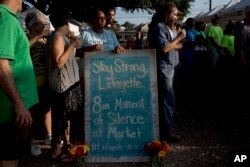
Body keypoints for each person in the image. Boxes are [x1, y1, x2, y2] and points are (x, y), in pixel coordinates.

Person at [0, 0, 39, 166]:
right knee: (8, 159)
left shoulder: (9, 18)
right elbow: (1, 65)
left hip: (12, 108)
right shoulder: (6, 19)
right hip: (8, 109)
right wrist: (19, 105)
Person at [47, 7, 83, 162]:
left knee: (65, 119)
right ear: (66, 22)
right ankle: (55, 152)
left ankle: (66, 147)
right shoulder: (57, 38)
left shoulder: (61, 37)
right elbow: (58, 63)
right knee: (60, 120)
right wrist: (73, 45)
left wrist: (72, 42)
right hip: (62, 86)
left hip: (68, 84)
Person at [148, 2, 185, 143]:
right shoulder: (159, 28)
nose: (177, 17)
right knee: (166, 101)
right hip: (164, 68)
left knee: (170, 100)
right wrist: (179, 38)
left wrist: (175, 42)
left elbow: (178, 46)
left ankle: (167, 128)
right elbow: (164, 48)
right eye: (175, 14)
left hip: (173, 66)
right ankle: (166, 133)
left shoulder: (171, 29)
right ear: (167, 14)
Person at [25, 11, 52, 156]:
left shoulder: (45, 39)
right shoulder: (25, 38)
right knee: (32, 113)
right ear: (32, 26)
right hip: (31, 82)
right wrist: (37, 38)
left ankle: (49, 136)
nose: (43, 26)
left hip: (46, 80)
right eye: (39, 23)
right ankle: (31, 141)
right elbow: (23, 50)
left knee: (46, 109)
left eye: (43, 23)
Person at [234, 10, 250, 117]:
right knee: (244, 86)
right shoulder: (243, 28)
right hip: (245, 62)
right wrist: (243, 63)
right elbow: (240, 49)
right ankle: (242, 110)